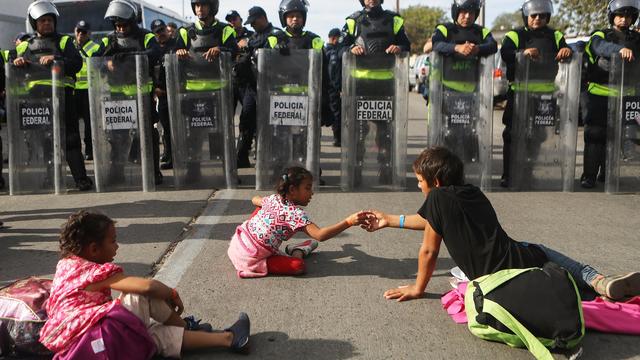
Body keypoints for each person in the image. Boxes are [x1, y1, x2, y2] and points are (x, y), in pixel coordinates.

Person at [362, 146, 640, 302]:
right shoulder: (471, 193)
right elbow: (432, 223)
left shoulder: (436, 199)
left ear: (435, 183)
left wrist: (417, 288)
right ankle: (598, 280)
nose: (419, 187)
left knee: (541, 255)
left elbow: (428, 251)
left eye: (420, 182)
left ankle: (597, 283)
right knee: (542, 253)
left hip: (492, 276)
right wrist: (390, 220)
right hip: (514, 260)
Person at [40, 210, 251, 358]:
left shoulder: (66, 267)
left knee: (152, 334)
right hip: (104, 339)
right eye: (112, 241)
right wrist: (171, 293)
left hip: (90, 351)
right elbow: (149, 287)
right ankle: (187, 326)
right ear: (94, 249)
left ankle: (230, 338)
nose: (117, 246)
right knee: (139, 295)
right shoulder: (92, 272)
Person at [227, 166, 367, 278]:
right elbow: (320, 235)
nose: (311, 193)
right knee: (298, 266)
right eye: (307, 188)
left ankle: (266, 241)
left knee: (260, 207)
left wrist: (264, 205)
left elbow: (255, 199)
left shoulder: (274, 198)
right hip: (251, 259)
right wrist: (348, 222)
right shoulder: (296, 215)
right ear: (292, 190)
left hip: (237, 245)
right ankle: (298, 250)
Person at [13, 0, 93, 191]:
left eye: (50, 20)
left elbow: (77, 64)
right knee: (44, 142)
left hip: (62, 98)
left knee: (71, 139)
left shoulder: (64, 41)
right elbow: (10, 62)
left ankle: (81, 179)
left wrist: (57, 59)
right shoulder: (25, 46)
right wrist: (16, 61)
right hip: (36, 100)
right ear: (35, 23)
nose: (47, 23)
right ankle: (49, 179)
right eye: (42, 21)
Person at [499, 0, 572, 188]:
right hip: (519, 94)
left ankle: (528, 172)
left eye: (542, 16)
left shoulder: (555, 35)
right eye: (534, 15)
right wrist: (522, 53)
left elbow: (568, 51)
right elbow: (505, 54)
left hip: (544, 97)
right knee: (513, 134)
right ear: (526, 16)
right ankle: (509, 174)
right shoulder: (515, 35)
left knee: (538, 136)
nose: (538, 19)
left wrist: (567, 49)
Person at [339, 0, 411, 184]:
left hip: (386, 86)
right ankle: (355, 173)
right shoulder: (353, 21)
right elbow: (339, 47)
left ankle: (386, 173)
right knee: (358, 133)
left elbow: (406, 45)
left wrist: (400, 48)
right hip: (360, 85)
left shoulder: (394, 20)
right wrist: (350, 48)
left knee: (386, 134)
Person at [99, 0, 163, 185]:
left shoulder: (146, 36)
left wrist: (130, 57)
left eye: (124, 25)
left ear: (132, 22)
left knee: (148, 136)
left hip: (141, 95)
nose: (120, 29)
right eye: (117, 25)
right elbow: (95, 59)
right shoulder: (108, 39)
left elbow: (155, 52)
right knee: (117, 137)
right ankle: (116, 173)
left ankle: (153, 172)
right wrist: (106, 62)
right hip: (117, 98)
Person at [174, 0, 238, 181]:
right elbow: (174, 50)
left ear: (212, 7)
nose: (199, 9)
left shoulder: (225, 30)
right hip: (193, 90)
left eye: (203, 5)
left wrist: (220, 49)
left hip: (218, 90)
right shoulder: (185, 31)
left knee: (220, 133)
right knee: (194, 135)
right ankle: (193, 171)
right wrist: (178, 51)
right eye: (196, 6)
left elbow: (234, 51)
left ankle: (226, 172)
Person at [580, 0, 640, 189]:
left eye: (628, 16)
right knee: (595, 135)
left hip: (626, 96)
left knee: (618, 137)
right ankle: (589, 176)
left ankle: (608, 174)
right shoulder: (601, 34)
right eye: (620, 15)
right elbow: (599, 47)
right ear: (612, 16)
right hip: (599, 94)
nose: (624, 20)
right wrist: (619, 49)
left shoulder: (637, 38)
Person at [431, 0, 497, 163]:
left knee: (469, 133)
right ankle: (447, 168)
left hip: (473, 93)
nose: (467, 16)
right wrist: (457, 48)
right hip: (447, 91)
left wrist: (477, 49)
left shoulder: (481, 32)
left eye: (472, 13)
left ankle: (467, 170)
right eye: (463, 12)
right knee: (450, 133)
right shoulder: (445, 29)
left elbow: (493, 45)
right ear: (455, 11)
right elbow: (436, 44)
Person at [234, 7, 285, 168]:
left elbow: (267, 44)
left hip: (270, 87)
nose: (252, 26)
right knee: (246, 119)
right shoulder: (254, 35)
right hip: (252, 86)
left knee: (269, 123)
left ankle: (268, 157)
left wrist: (247, 43)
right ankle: (242, 156)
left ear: (263, 18)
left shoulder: (276, 33)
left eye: (254, 22)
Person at [150, 19, 177, 171]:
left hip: (175, 93)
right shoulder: (153, 49)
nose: (161, 34)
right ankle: (169, 156)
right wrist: (155, 89)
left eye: (162, 30)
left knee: (176, 128)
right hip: (161, 95)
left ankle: (176, 157)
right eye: (157, 31)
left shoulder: (176, 44)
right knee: (166, 128)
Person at [73, 20, 101, 161]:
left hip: (89, 91)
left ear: (89, 33)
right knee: (73, 124)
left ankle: (89, 150)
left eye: (83, 32)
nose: (80, 34)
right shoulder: (70, 47)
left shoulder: (95, 47)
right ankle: (76, 151)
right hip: (73, 90)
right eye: (78, 31)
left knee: (90, 124)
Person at [325, 28, 342, 147]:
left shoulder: (331, 51)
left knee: (337, 114)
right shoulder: (331, 53)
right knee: (336, 114)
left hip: (332, 89)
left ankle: (339, 137)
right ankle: (337, 138)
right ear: (334, 38)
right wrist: (337, 88)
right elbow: (333, 73)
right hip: (333, 89)